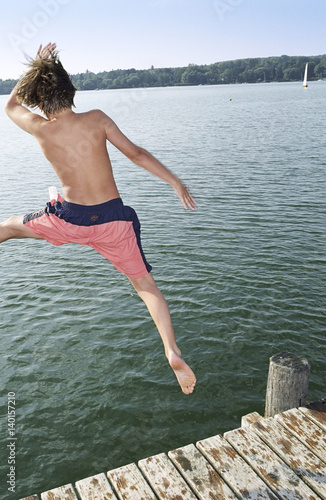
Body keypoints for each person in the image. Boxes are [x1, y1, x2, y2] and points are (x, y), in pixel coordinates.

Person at [2, 43, 196, 395]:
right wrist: (174, 181)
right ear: (71, 92)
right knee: (146, 287)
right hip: (112, 222)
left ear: (40, 102)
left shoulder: (40, 127)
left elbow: (10, 105)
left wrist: (34, 69)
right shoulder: (96, 119)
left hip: (69, 219)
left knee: (8, 228)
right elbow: (136, 154)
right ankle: (172, 350)